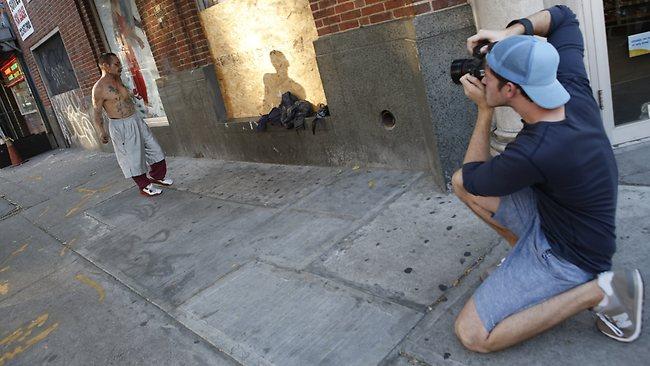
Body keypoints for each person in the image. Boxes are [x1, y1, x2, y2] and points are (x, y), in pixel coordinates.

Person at [451, 5, 643, 352]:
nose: (482, 77)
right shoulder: (568, 83)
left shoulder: (537, 150)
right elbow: (564, 17)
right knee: (458, 184)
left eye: (489, 74)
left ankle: (599, 290)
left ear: (509, 90)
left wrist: (483, 113)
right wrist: (509, 36)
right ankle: (525, 259)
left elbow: (475, 177)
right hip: (565, 218)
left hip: (572, 256)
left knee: (474, 334)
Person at [92, 53, 172, 196]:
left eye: (119, 63)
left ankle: (157, 176)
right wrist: (101, 131)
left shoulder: (119, 79)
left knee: (155, 149)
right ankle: (144, 186)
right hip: (121, 125)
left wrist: (133, 94)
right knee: (133, 158)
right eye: (116, 64)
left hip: (135, 119)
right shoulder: (99, 88)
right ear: (105, 66)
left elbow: (124, 96)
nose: (120, 67)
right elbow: (97, 113)